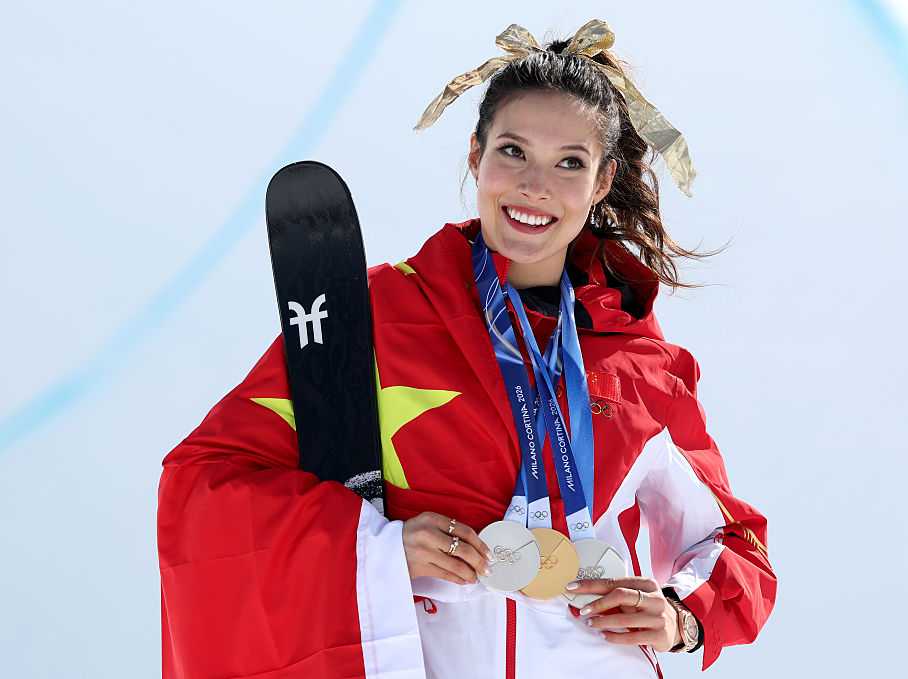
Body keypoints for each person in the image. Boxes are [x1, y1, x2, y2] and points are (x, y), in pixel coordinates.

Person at [158, 19, 776, 679]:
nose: (535, 185)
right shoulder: (374, 320)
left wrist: (682, 616)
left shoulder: (644, 368)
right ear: (476, 155)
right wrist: (380, 546)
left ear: (601, 183)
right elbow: (205, 486)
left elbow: (736, 547)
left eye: (570, 162)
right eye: (513, 151)